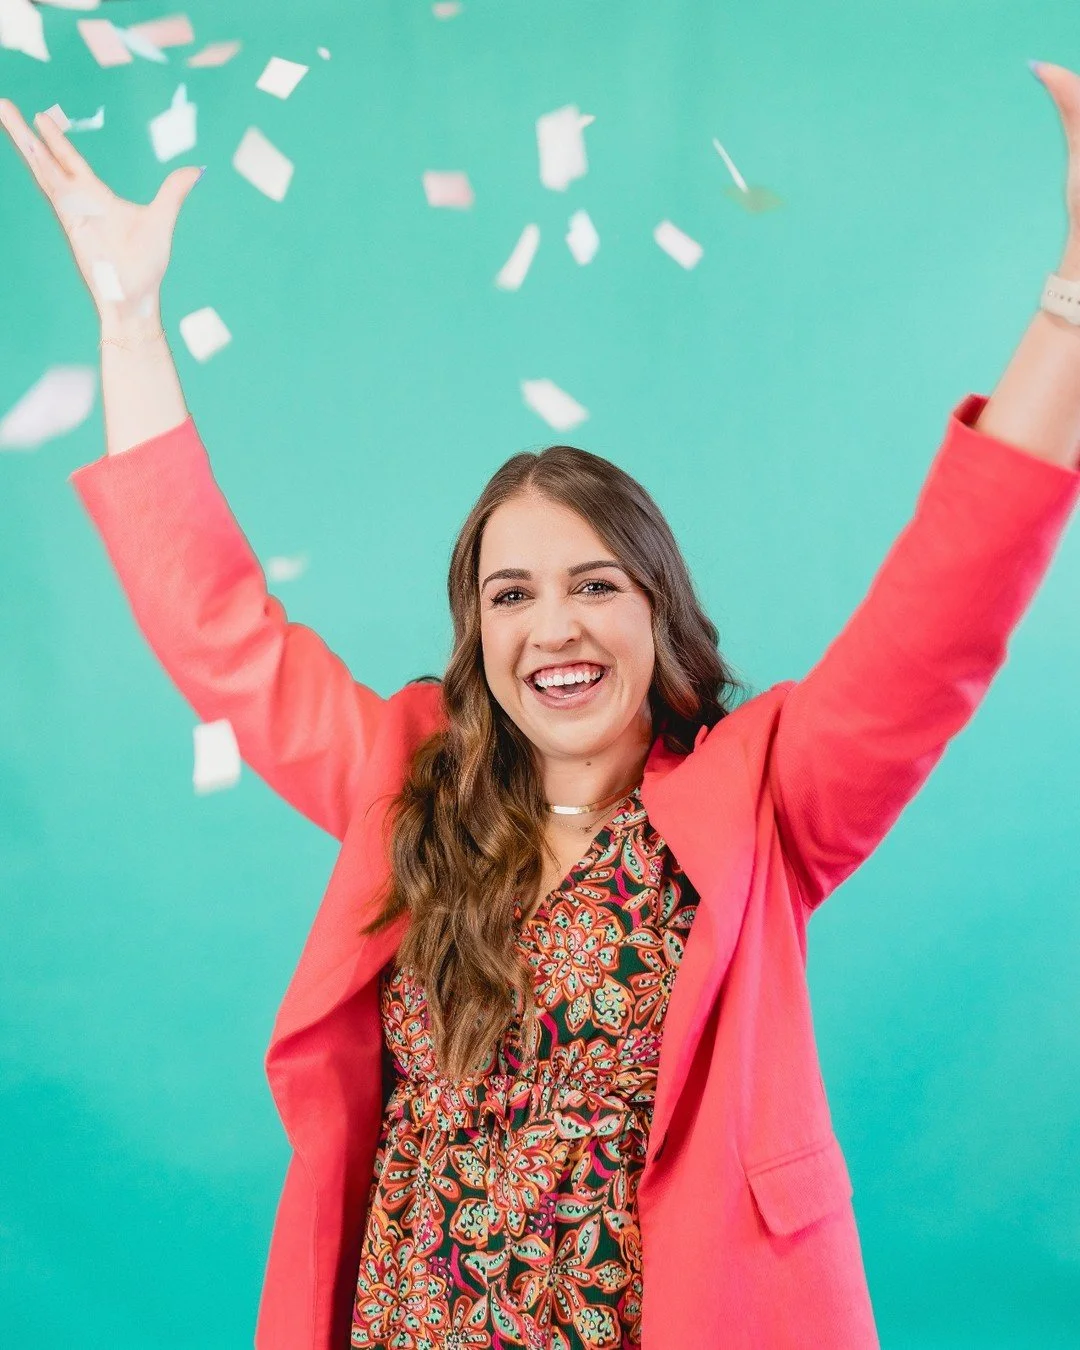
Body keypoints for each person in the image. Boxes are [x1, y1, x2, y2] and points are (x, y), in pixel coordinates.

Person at [3, 65, 1080, 1348]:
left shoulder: (769, 795)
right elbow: (220, 632)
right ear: (477, 635)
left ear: (658, 612)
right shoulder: (408, 780)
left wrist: (1071, 302)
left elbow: (939, 615)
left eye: (593, 585)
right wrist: (128, 322)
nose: (552, 626)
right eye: (510, 595)